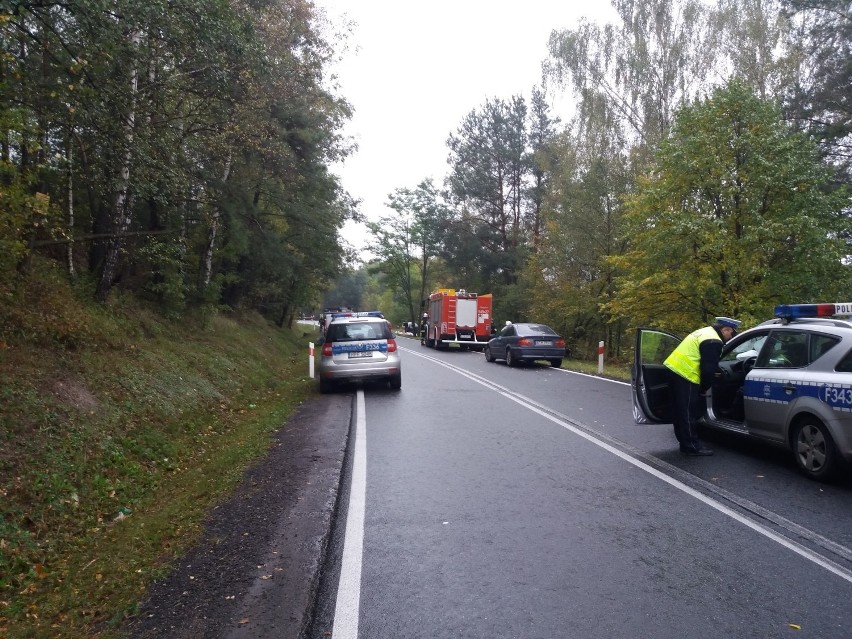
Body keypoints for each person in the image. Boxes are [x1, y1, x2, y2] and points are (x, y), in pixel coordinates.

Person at [664, 316, 741, 456]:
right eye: (732, 333)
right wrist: (704, 387)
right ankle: (691, 447)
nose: (732, 336)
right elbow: (708, 369)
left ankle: (685, 443)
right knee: (688, 413)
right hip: (686, 375)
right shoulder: (714, 341)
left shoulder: (705, 331)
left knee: (680, 412)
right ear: (725, 329)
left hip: (674, 369)